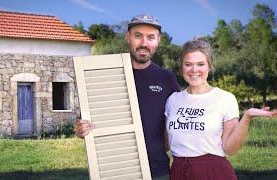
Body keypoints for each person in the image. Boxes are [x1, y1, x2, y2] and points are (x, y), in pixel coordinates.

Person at [74, 14, 180, 179]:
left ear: (158, 41)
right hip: (115, 171)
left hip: (158, 172)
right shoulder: (104, 75)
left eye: (150, 37)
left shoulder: (167, 78)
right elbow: (88, 120)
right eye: (138, 36)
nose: (144, 43)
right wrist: (82, 129)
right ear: (127, 37)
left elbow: (179, 124)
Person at [165, 38, 277, 180]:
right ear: (181, 67)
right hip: (179, 171)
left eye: (200, 64)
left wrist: (247, 117)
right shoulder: (173, 100)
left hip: (214, 172)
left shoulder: (225, 98)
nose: (194, 70)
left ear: (209, 66)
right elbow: (166, 143)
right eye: (188, 64)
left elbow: (230, 149)